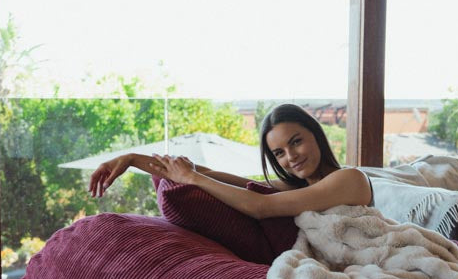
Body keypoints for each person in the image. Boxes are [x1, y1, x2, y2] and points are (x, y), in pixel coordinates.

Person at [88, 104, 372, 217]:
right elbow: (215, 176)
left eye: (296, 141)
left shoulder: (350, 179)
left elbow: (260, 206)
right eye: (279, 153)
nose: (291, 156)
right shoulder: (298, 188)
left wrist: (192, 178)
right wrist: (130, 159)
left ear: (316, 134)